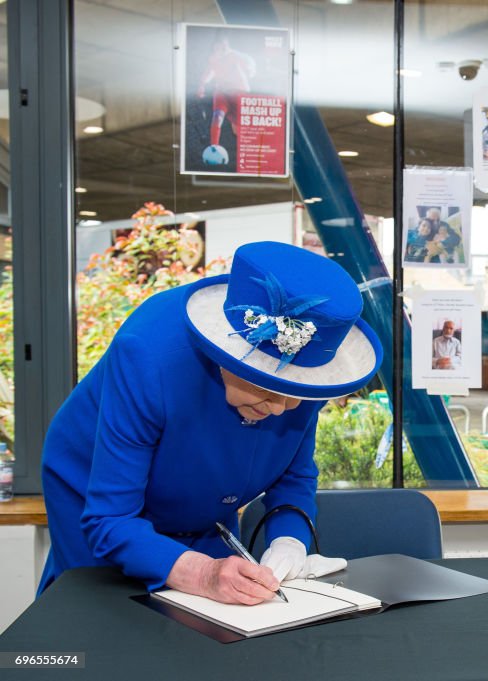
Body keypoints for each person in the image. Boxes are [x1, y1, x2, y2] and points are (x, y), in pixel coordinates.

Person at [38, 242, 384, 604]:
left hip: (205, 505)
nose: (283, 408)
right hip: (98, 499)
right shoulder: (147, 357)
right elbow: (110, 519)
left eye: (295, 393)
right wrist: (202, 573)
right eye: (270, 386)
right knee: (109, 625)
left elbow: (294, 474)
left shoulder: (309, 369)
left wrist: (288, 541)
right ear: (226, 353)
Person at [196, 32, 256, 160]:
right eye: (217, 47)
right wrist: (202, 84)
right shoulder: (213, 58)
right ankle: (214, 149)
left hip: (239, 93)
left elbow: (250, 63)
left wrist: (250, 70)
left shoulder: (236, 56)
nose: (220, 50)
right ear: (214, 47)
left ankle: (246, 149)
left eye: (223, 47)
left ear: (227, 46)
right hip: (221, 93)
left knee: (237, 126)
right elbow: (209, 71)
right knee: (217, 116)